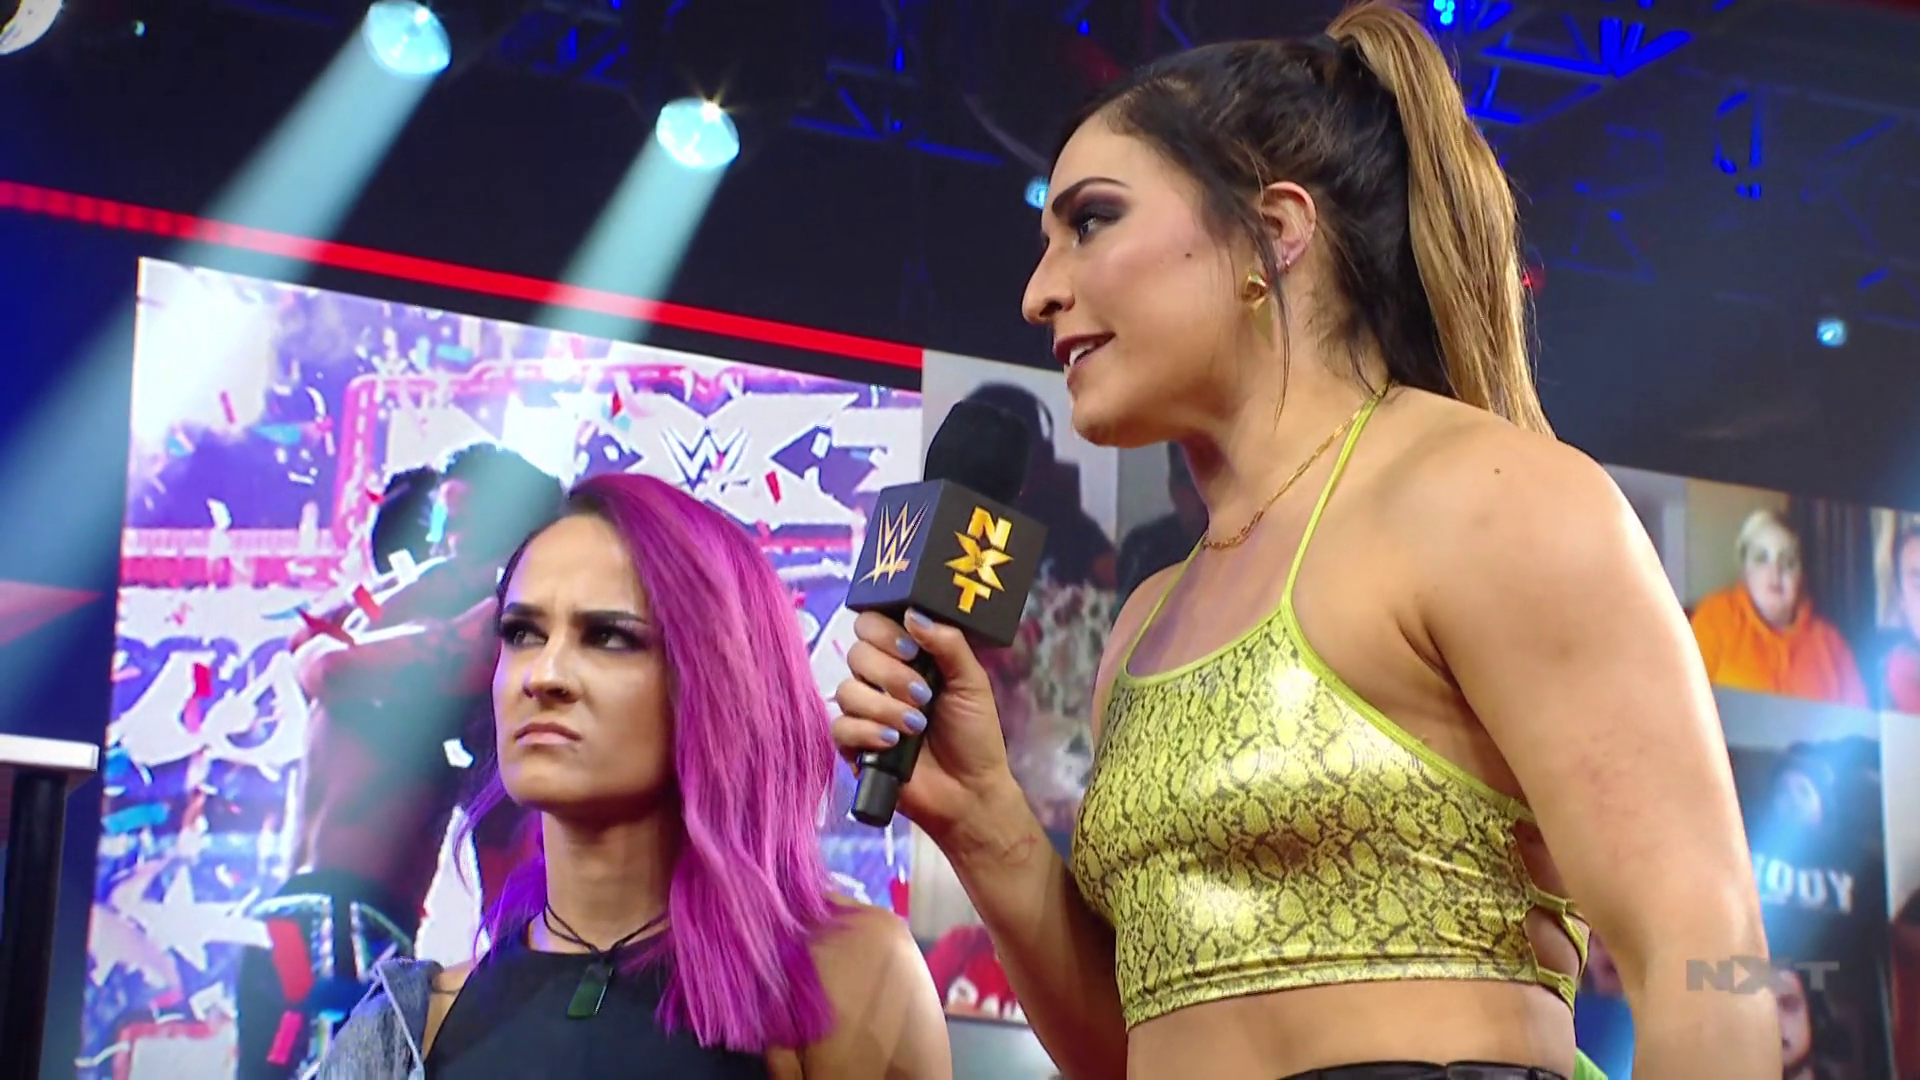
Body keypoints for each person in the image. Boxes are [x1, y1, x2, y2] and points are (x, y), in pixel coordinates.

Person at [831, 4, 1775, 1078]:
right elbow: (1130, 1051)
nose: (1039, 292)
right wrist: (986, 821)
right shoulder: (1145, 623)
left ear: (1274, 231)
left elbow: (1708, 949)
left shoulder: (1490, 498)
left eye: (1090, 221)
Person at [317, 472, 949, 1078]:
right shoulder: (409, 1032)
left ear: (717, 678)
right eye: (522, 633)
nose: (544, 675)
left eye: (609, 638)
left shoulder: (847, 978)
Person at [236, 446, 563, 1080]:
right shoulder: (432, 620)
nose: (448, 543)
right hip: (339, 920)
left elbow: (317, 655)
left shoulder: (459, 624)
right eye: (445, 524)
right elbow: (319, 656)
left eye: (466, 526)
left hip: (305, 921)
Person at [1689, 508, 1867, 707]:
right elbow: (1681, 701)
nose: (1776, 571)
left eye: (1788, 562)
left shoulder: (1832, 643)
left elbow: (1860, 719)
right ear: (1745, 568)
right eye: (1761, 558)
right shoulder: (1715, 618)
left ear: (1801, 576)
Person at [1113, 442, 1207, 611]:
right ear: (1173, 488)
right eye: (1188, 479)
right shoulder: (1143, 551)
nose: (1202, 492)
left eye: (1214, 475)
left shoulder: (1253, 552)